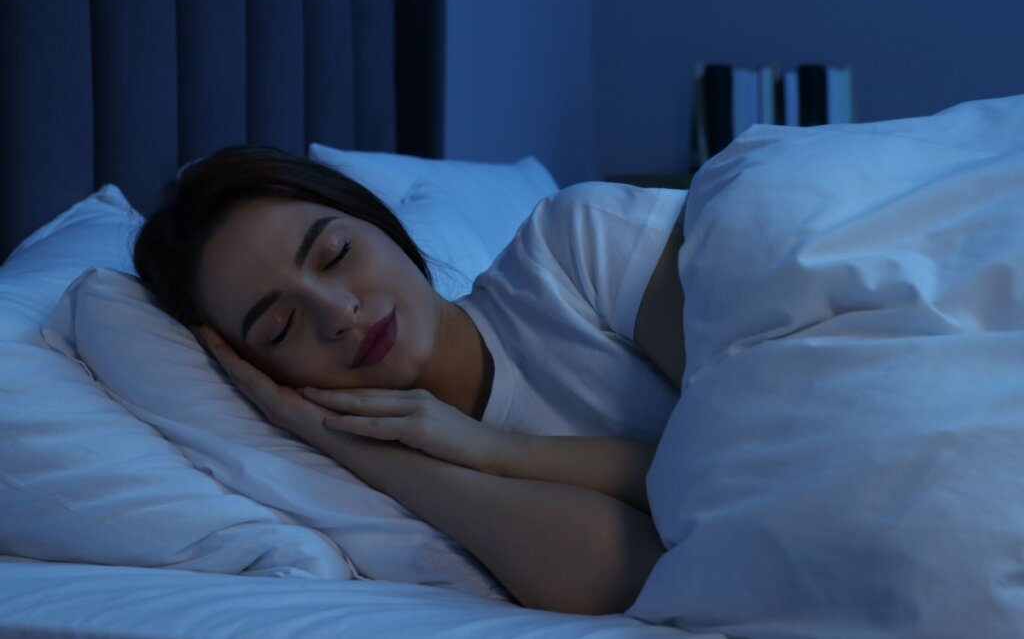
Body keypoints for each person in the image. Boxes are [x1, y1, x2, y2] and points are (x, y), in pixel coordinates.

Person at [133, 144, 687, 615]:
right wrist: (347, 443)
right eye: (281, 328)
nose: (339, 313)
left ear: (375, 221)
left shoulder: (577, 248)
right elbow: (636, 576)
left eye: (335, 254)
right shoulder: (391, 502)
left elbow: (721, 467)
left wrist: (498, 452)